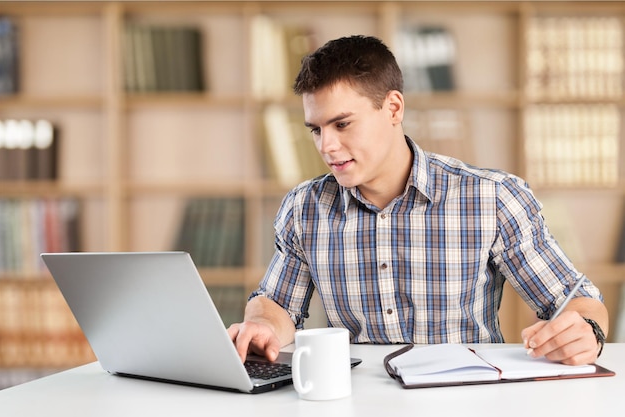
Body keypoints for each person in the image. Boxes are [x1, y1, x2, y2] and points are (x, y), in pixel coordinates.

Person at [227, 35, 608, 366]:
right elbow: (276, 303)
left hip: (467, 397)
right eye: (316, 129)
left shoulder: (492, 198)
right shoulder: (305, 208)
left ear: (393, 108)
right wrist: (260, 327)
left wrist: (585, 330)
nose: (326, 146)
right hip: (356, 399)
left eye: (342, 124)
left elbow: (578, 302)